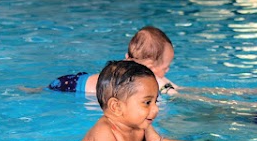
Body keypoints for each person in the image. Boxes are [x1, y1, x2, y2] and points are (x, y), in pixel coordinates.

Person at [18, 60, 257, 141]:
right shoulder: (104, 130)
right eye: (147, 103)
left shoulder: (142, 124)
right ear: (116, 107)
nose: (155, 110)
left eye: (155, 101)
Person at [47, 26, 178, 95]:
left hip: (74, 81)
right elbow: (169, 90)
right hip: (78, 90)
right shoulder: (143, 78)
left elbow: (169, 85)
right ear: (150, 66)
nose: (168, 70)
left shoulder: (125, 64)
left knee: (42, 90)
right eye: (166, 67)